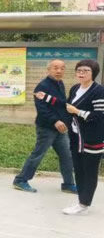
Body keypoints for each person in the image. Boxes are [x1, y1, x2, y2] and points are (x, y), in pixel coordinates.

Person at [35, 59, 104, 215]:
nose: (81, 73)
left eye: (86, 71)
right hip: (76, 137)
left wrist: (78, 112)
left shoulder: (99, 91)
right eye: (79, 70)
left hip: (92, 138)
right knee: (78, 170)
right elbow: (66, 106)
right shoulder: (75, 88)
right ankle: (81, 202)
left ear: (93, 73)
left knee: (89, 172)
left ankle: (83, 204)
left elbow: (99, 116)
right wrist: (47, 98)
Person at [13, 59, 76, 194]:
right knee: (38, 154)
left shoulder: (60, 83)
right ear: (48, 70)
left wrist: (65, 121)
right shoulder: (42, 86)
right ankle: (20, 180)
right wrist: (55, 121)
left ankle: (68, 184)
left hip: (60, 129)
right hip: (47, 128)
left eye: (62, 68)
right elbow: (41, 108)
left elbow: (60, 105)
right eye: (55, 68)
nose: (59, 71)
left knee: (67, 155)